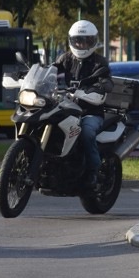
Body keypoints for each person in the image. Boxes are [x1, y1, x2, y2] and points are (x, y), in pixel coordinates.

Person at [52, 20, 113, 192]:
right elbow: (51, 71)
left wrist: (102, 86)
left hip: (90, 111)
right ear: (72, 40)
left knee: (85, 133)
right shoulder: (65, 58)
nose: (81, 44)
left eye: (86, 40)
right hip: (65, 107)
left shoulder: (99, 62)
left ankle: (93, 170)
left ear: (93, 41)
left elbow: (106, 82)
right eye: (78, 40)